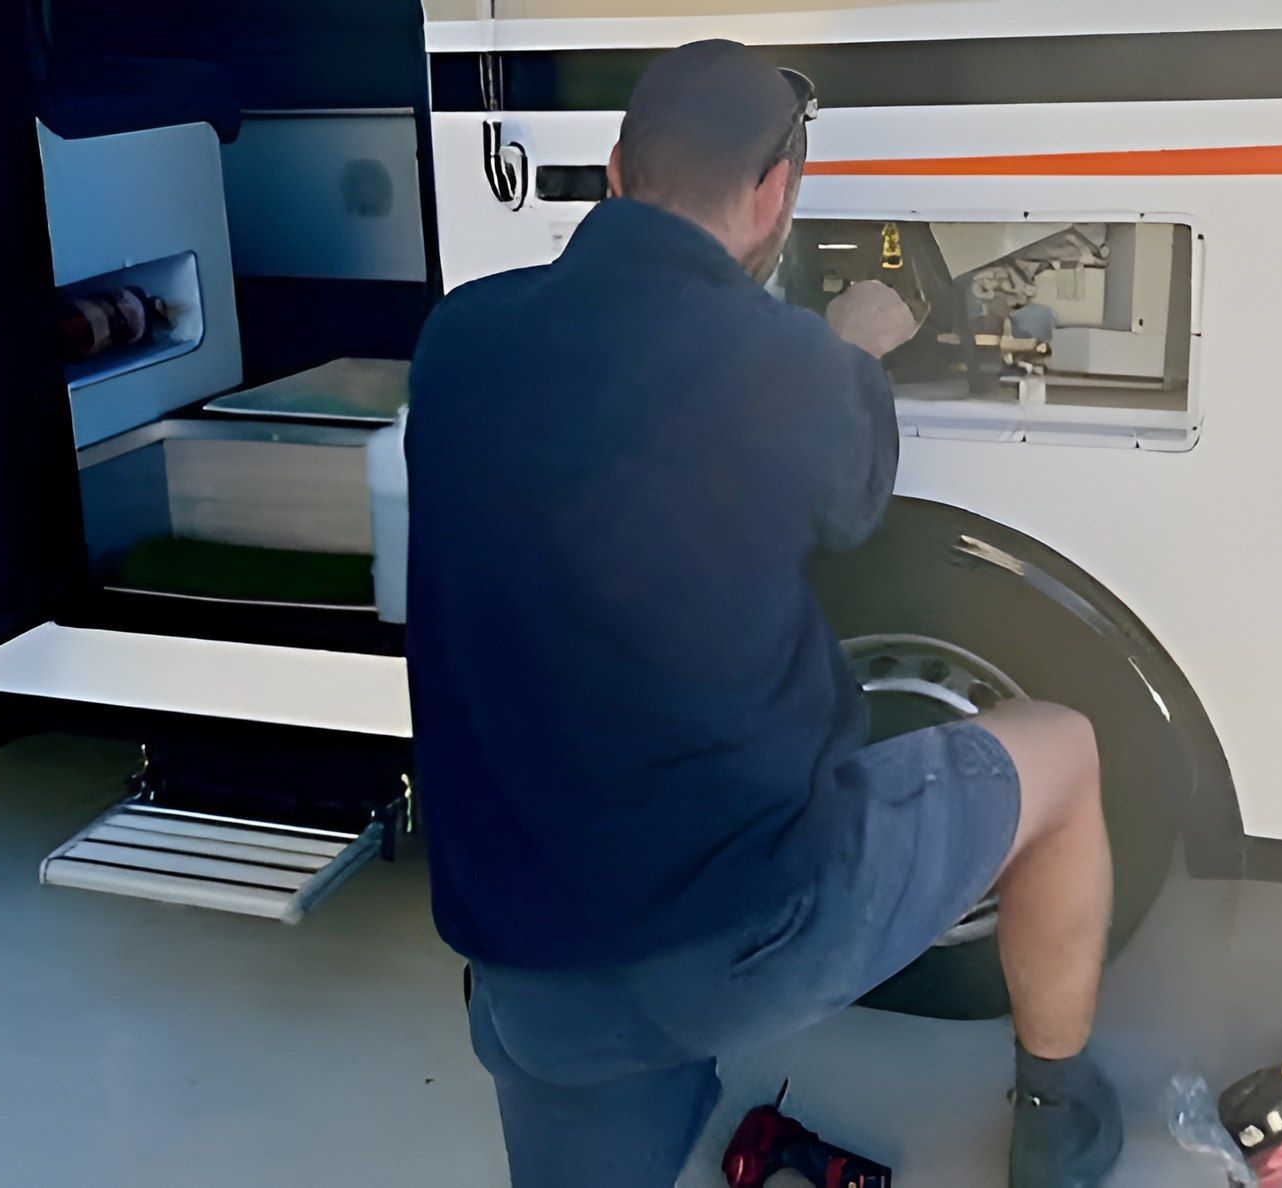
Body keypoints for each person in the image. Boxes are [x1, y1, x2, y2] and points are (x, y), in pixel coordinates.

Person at [404, 39, 1121, 1187]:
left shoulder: (457, 340)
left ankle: (656, 1078)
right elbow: (851, 499)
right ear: (777, 191)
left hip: (530, 974)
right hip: (750, 939)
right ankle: (1061, 1121)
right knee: (1068, 754)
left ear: (616, 170)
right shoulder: (788, 363)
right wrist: (854, 348)